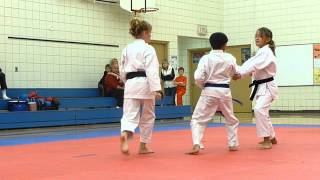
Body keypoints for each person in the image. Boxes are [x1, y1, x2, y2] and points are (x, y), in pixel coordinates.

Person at [186, 32, 239, 155]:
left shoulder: (206, 58)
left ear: (211, 44)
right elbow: (236, 72)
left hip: (209, 90)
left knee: (197, 119)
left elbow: (198, 77)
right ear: (225, 45)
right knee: (231, 118)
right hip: (225, 91)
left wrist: (203, 86)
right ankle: (233, 144)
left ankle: (196, 144)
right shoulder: (230, 57)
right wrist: (234, 75)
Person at [119, 18, 162, 155]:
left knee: (129, 114)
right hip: (146, 84)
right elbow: (152, 70)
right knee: (148, 116)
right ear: (144, 32)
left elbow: (122, 70)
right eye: (150, 33)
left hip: (131, 84)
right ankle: (143, 146)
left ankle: (125, 133)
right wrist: (157, 89)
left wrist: (127, 83)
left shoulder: (127, 48)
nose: (150, 36)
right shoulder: (148, 48)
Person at [233, 27, 278, 149]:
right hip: (262, 87)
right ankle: (272, 137)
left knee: (259, 110)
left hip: (267, 87)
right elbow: (253, 66)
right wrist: (241, 73)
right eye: (256, 36)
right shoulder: (262, 51)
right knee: (264, 112)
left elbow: (253, 64)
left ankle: (267, 140)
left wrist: (240, 73)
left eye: (260, 36)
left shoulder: (266, 52)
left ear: (267, 39)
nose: (257, 38)